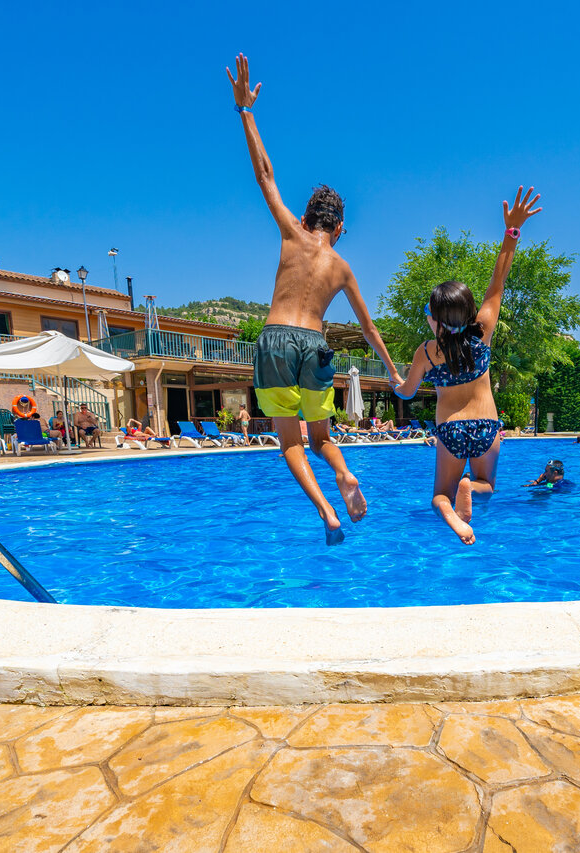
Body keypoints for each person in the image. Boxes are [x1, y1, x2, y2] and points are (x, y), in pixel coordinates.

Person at [228, 54, 402, 545]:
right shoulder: (343, 267)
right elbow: (368, 329)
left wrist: (246, 112)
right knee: (322, 437)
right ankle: (345, 476)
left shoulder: (291, 234)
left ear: (305, 220)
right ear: (340, 229)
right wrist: (389, 370)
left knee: (290, 444)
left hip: (275, 339)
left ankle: (326, 510)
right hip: (316, 345)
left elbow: (264, 176)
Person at [394, 186, 542, 544]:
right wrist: (512, 229)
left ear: (435, 319)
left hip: (450, 430)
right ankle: (470, 489)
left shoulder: (427, 352)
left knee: (438, 497)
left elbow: (408, 392)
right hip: (487, 425)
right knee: (487, 485)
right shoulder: (484, 331)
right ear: (470, 312)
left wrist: (396, 381)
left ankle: (451, 512)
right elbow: (499, 279)